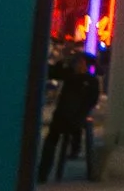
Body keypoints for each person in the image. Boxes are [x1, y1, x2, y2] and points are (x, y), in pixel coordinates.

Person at [37, 44, 98, 182]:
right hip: (66, 117)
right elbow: (52, 72)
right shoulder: (74, 77)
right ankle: (43, 172)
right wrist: (63, 61)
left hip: (71, 118)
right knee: (53, 138)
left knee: (53, 137)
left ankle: (43, 172)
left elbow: (90, 102)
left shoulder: (87, 81)